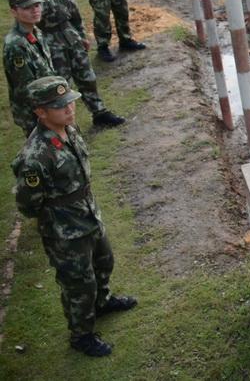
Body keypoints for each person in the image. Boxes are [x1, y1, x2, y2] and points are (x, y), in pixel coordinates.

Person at [11, 76, 137, 357]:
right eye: (60, 106)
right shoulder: (36, 156)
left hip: (89, 215)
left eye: (69, 102)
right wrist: (57, 218)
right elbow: (28, 204)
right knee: (79, 284)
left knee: (104, 262)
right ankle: (81, 335)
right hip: (64, 231)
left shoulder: (68, 130)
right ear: (40, 112)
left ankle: (102, 302)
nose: (69, 109)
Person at [26, 0, 125, 128]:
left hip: (70, 35)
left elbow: (73, 12)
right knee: (60, 85)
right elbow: (30, 24)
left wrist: (81, 35)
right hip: (49, 43)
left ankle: (99, 112)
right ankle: (64, 125)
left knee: (87, 76)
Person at [4, 0, 55, 135]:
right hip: (36, 112)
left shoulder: (35, 32)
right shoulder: (16, 45)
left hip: (49, 104)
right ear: (14, 11)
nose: (35, 10)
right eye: (27, 8)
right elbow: (26, 88)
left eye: (37, 5)